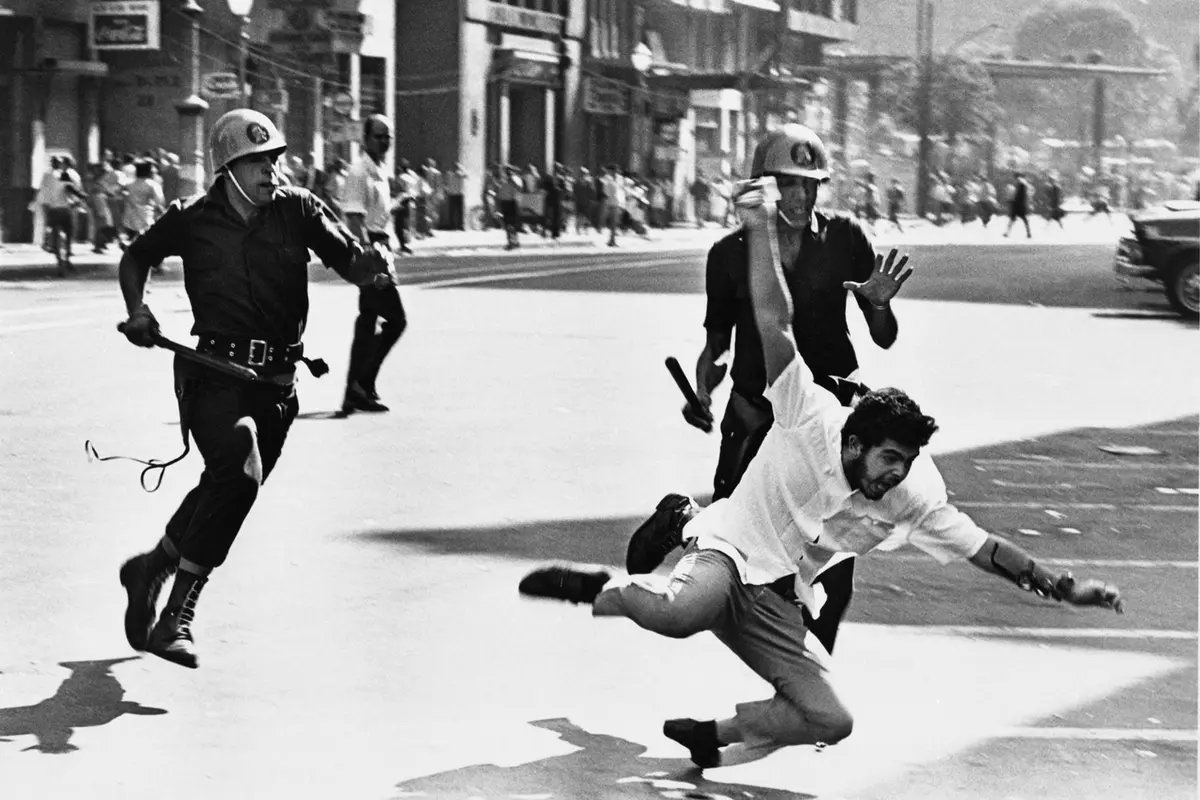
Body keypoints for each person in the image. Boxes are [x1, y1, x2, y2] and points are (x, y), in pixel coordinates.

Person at [518, 175, 1125, 769]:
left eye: (907, 463)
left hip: (780, 594)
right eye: (889, 459)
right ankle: (600, 584)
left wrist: (1062, 586)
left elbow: (984, 549)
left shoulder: (912, 493)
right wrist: (760, 226)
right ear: (854, 442)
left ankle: (715, 736)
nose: (896, 476)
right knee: (682, 613)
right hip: (730, 553)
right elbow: (772, 320)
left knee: (832, 719)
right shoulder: (808, 414)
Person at [115, 108, 394, 669]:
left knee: (225, 487)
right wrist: (138, 310)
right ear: (228, 168)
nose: (272, 171)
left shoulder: (298, 209)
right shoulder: (192, 218)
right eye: (258, 162)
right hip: (212, 374)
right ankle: (177, 617)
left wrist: (371, 266)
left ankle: (152, 566)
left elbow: (349, 260)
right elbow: (136, 256)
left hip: (277, 388)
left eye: (274, 160)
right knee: (240, 474)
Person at [654, 124, 902, 653]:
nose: (800, 196)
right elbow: (717, 346)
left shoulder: (846, 238)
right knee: (733, 553)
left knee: (834, 576)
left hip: (831, 422)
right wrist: (703, 391)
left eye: (810, 185)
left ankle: (806, 677)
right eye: (787, 184)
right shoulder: (729, 254)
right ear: (761, 186)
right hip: (757, 415)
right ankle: (682, 519)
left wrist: (879, 306)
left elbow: (883, 336)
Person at [341, 114, 409, 415]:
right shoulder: (359, 171)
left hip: (382, 246)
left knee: (367, 323)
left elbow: (374, 214)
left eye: (387, 136)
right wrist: (369, 259)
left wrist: (397, 204)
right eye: (378, 136)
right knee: (396, 320)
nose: (384, 141)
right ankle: (362, 382)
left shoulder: (380, 170)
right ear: (365, 139)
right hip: (372, 253)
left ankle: (355, 390)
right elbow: (354, 219)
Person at [1003, 171, 1032, 238]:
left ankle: (1007, 233)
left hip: (1017, 205)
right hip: (1021, 205)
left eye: (1015, 177)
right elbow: (1023, 195)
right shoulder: (1023, 184)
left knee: (1012, 219)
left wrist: (1011, 200)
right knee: (1024, 220)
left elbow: (1017, 195)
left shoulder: (1020, 183)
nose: (1015, 179)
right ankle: (1028, 233)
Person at [444, 161, 467, 231]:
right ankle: (454, 226)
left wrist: (461, 169)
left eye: (456, 167)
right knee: (453, 211)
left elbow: (466, 176)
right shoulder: (450, 174)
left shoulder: (459, 174)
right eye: (455, 166)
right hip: (453, 194)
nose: (455, 168)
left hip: (458, 194)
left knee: (459, 211)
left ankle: (459, 226)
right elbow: (446, 182)